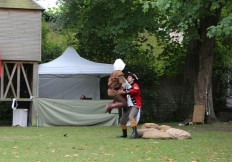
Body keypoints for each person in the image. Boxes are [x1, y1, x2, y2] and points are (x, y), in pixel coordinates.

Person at [117, 72, 142, 138]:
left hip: (135, 105)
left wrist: (125, 92)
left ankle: (135, 133)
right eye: (128, 77)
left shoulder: (135, 85)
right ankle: (124, 134)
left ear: (133, 79)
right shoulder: (126, 86)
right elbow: (122, 90)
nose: (128, 78)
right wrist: (120, 91)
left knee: (131, 116)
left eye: (129, 77)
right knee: (122, 120)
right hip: (129, 106)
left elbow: (135, 91)